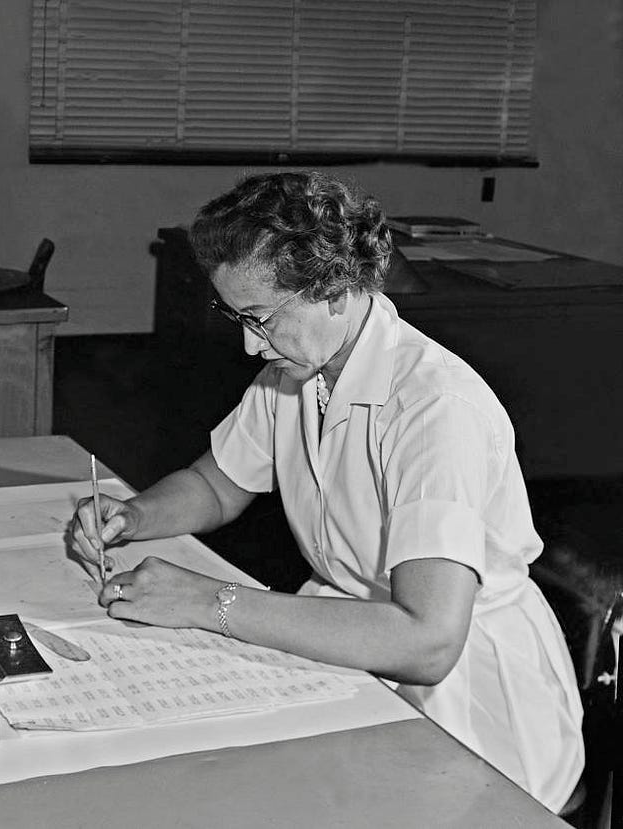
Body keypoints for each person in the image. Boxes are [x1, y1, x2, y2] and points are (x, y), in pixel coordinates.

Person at [70, 171, 583, 812]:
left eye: (260, 319)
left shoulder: (435, 410)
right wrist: (135, 514)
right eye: (236, 316)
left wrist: (210, 602)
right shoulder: (297, 370)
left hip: (470, 703)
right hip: (347, 639)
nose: (249, 345)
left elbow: (427, 641)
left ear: (336, 293)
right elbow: (216, 483)